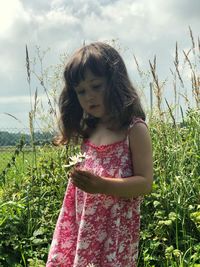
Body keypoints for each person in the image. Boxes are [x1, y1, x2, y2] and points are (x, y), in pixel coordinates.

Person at [46, 42, 153, 267]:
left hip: (114, 232)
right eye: (81, 91)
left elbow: (145, 183)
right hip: (82, 226)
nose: (89, 97)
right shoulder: (90, 130)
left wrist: (102, 185)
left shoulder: (134, 130)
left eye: (96, 86)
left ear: (115, 84)